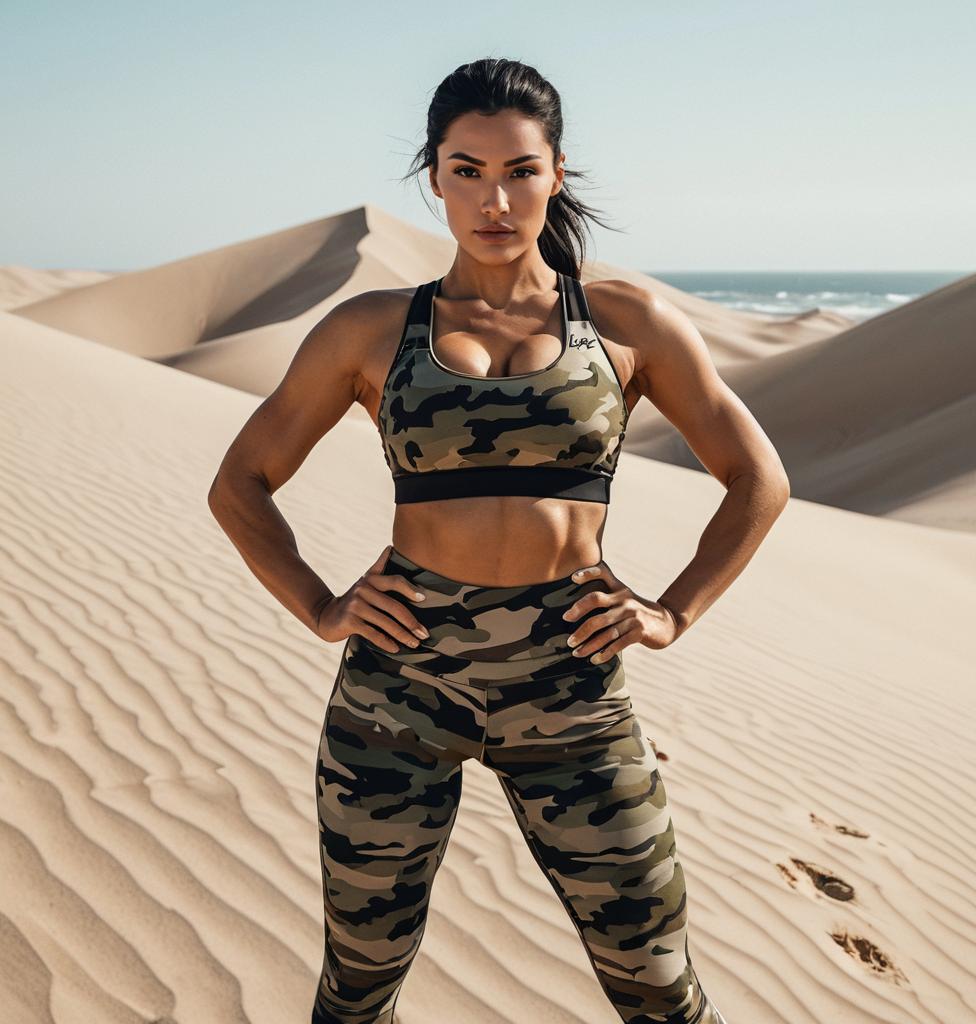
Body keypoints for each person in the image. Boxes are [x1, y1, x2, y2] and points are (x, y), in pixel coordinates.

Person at [208, 57, 788, 1024]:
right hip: (399, 688)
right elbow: (240, 483)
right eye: (466, 170)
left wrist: (672, 614)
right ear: (432, 177)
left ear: (556, 173)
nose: (494, 197)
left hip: (572, 690)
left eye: (519, 170)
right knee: (357, 990)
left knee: (659, 986)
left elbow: (758, 480)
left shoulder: (626, 322)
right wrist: (319, 605)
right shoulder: (370, 328)